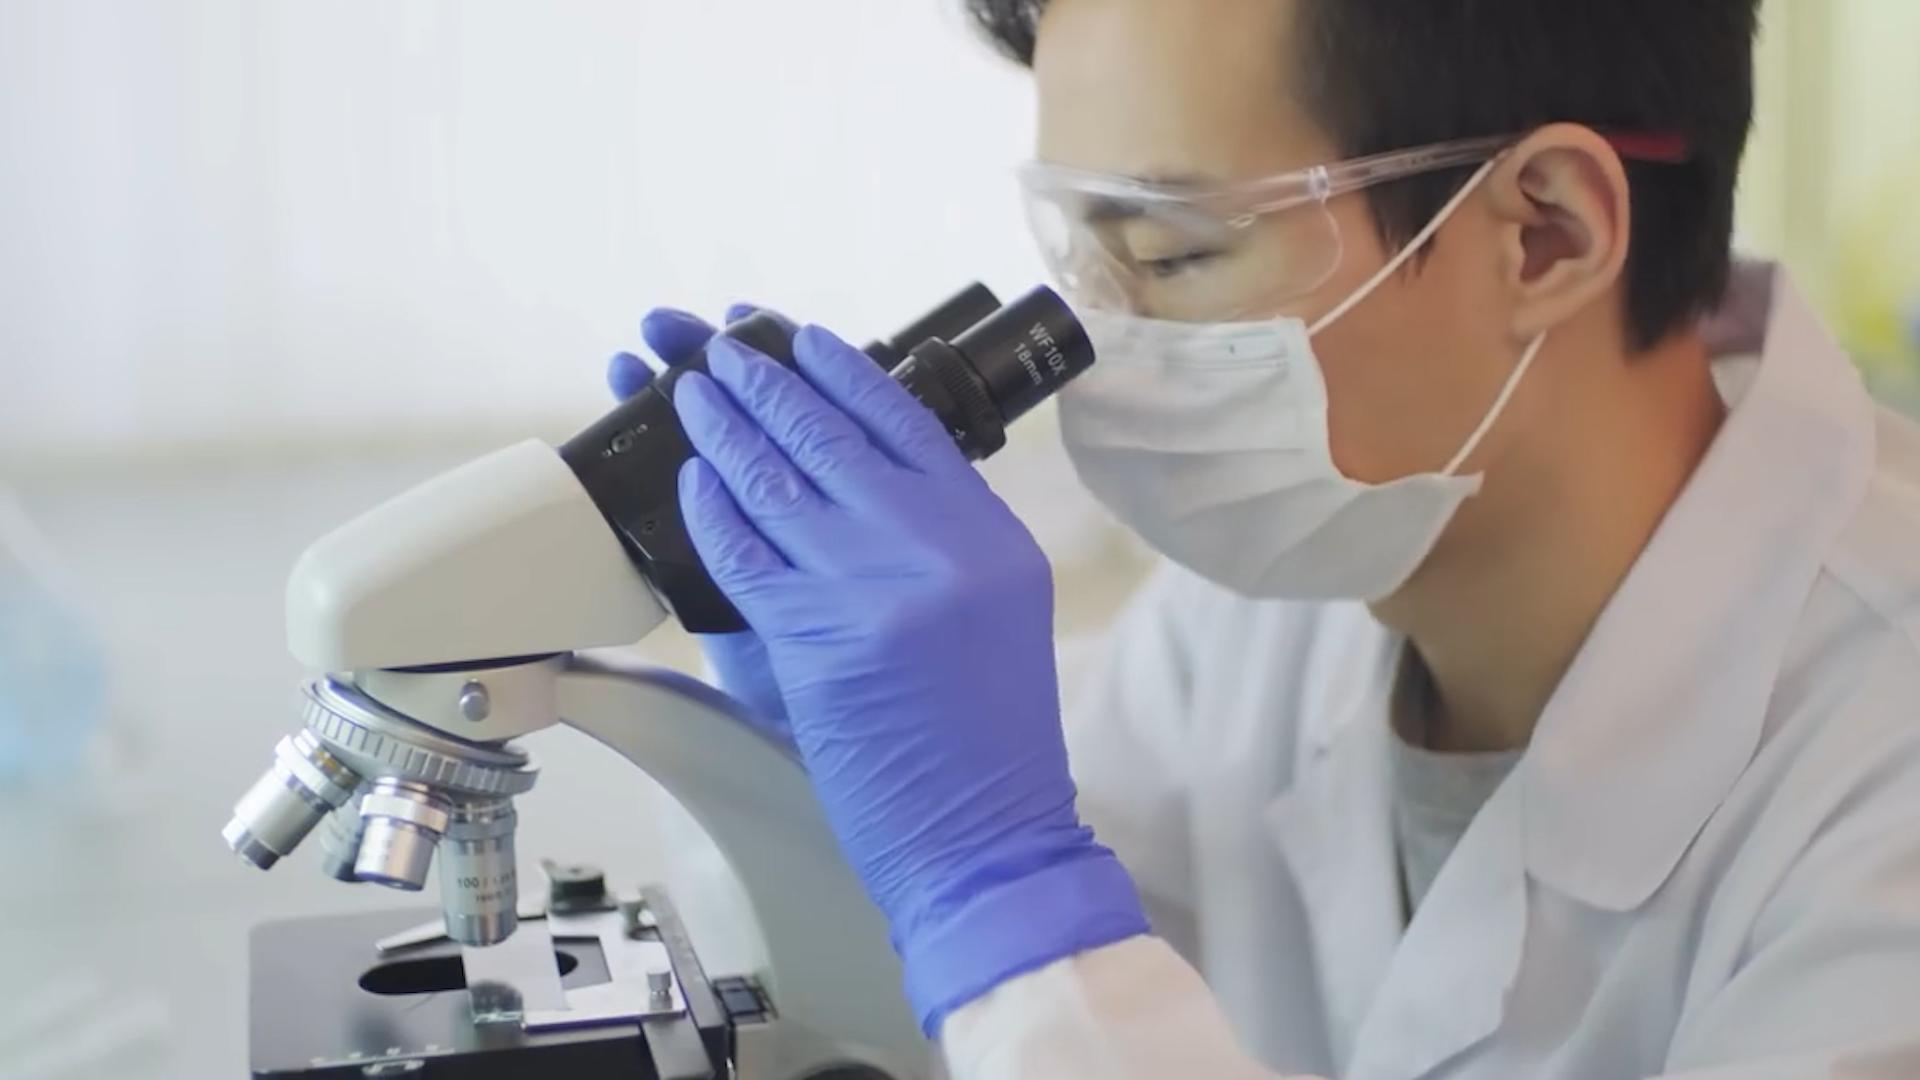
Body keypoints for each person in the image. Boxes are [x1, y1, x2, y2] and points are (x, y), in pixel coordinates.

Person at [607, 0, 1920, 1075]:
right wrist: (812, 789)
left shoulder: (1882, 772)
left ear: (1546, 233)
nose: (1093, 347)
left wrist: (1003, 894)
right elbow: (962, 1020)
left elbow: (1039, 970)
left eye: (1174, 254)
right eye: (1082, 253)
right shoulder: (1259, 617)